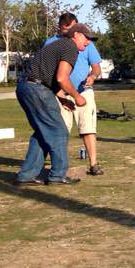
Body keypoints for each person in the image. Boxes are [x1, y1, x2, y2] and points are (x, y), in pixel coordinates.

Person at [14, 26, 88, 185]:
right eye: (86, 38)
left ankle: (26, 176)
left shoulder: (58, 44)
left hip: (25, 87)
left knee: (43, 132)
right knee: (59, 131)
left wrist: (63, 99)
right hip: (37, 89)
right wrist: (77, 96)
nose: (88, 42)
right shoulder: (70, 46)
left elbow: (49, 76)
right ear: (76, 35)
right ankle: (57, 175)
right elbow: (62, 78)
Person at [44, 15, 103, 175]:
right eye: (67, 28)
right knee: (60, 130)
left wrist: (92, 76)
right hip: (60, 93)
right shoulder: (51, 43)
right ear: (60, 26)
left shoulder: (86, 42)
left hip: (84, 91)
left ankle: (94, 164)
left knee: (88, 128)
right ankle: (58, 166)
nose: (71, 31)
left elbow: (96, 67)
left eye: (74, 27)